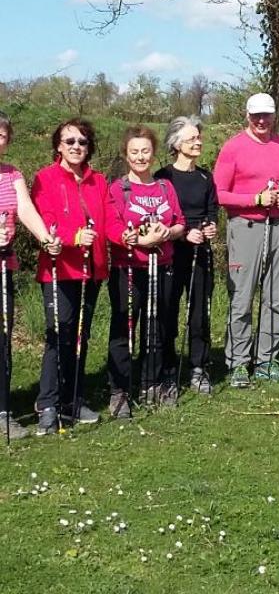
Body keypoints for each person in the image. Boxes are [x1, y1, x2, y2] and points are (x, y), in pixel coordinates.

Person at [213, 92, 279, 387]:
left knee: (276, 296)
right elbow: (219, 194)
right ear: (247, 116)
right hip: (245, 226)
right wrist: (255, 199)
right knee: (242, 297)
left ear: (275, 116)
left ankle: (266, 359)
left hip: (277, 225)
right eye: (256, 115)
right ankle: (238, 362)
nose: (262, 120)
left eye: (267, 115)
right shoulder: (233, 147)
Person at [31, 118, 109, 435]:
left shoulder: (98, 181)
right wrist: (74, 236)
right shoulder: (44, 178)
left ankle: (72, 400)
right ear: (58, 146)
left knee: (79, 337)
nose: (76, 146)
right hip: (59, 269)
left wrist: (135, 237)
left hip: (92, 271)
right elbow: (44, 220)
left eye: (82, 142)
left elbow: (110, 223)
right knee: (57, 336)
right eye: (70, 141)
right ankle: (47, 404)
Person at [105, 126, 185, 417]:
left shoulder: (165, 187)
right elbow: (111, 226)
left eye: (145, 151)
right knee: (124, 327)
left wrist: (167, 232)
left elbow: (179, 223)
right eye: (134, 152)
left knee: (158, 326)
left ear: (153, 153)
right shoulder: (118, 188)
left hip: (161, 266)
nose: (140, 157)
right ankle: (120, 389)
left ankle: (152, 382)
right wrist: (137, 239)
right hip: (129, 268)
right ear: (126, 155)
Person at [0, 111, 60, 439]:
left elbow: (26, 210)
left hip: (4, 267)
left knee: (2, 342)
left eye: (2, 135)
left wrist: (46, 238)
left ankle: (3, 412)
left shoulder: (12, 174)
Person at [155, 116, 218, 396]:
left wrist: (211, 227)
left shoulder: (206, 176)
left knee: (199, 313)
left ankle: (199, 367)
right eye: (192, 138)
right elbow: (157, 214)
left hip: (200, 253)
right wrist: (182, 233)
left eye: (199, 137)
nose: (198, 142)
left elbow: (212, 209)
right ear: (176, 143)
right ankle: (167, 370)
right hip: (171, 252)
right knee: (167, 311)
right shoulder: (163, 177)